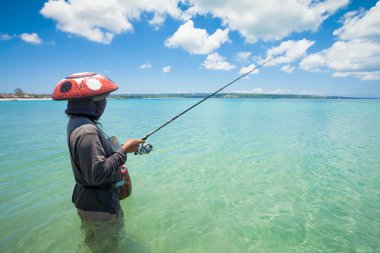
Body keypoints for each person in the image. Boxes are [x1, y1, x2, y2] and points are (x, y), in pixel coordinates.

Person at [53, 72, 143, 250]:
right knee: (108, 246)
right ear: (91, 102)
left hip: (87, 201)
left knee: (93, 242)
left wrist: (123, 148)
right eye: (103, 99)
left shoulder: (76, 122)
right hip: (100, 205)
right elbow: (97, 174)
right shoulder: (87, 130)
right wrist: (124, 150)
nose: (105, 103)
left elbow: (93, 158)